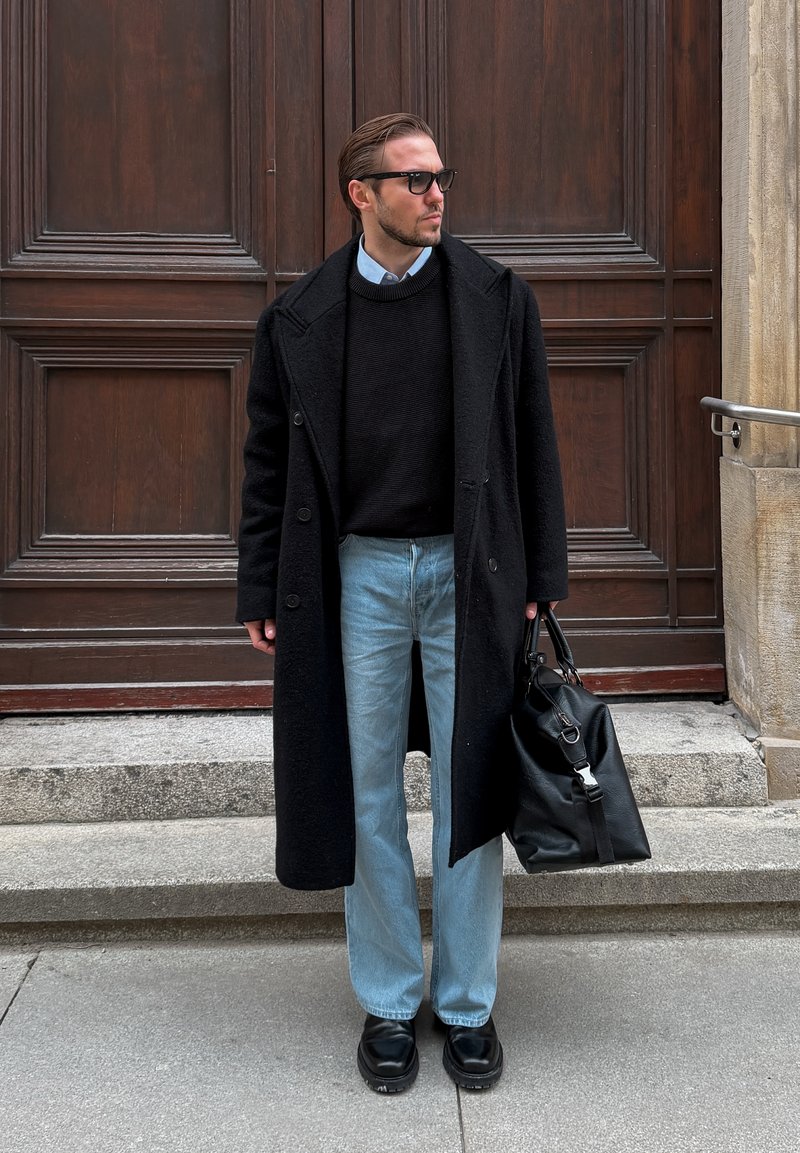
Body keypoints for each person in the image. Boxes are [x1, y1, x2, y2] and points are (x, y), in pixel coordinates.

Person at [237, 113, 568, 1093]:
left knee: (470, 788)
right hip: (358, 577)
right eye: (414, 180)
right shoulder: (298, 316)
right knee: (366, 789)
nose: (435, 194)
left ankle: (464, 1007)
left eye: (439, 178)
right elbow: (265, 468)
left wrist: (538, 578)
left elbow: (531, 445)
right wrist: (261, 582)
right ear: (361, 195)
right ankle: (388, 1001)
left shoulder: (495, 300)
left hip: (472, 575)